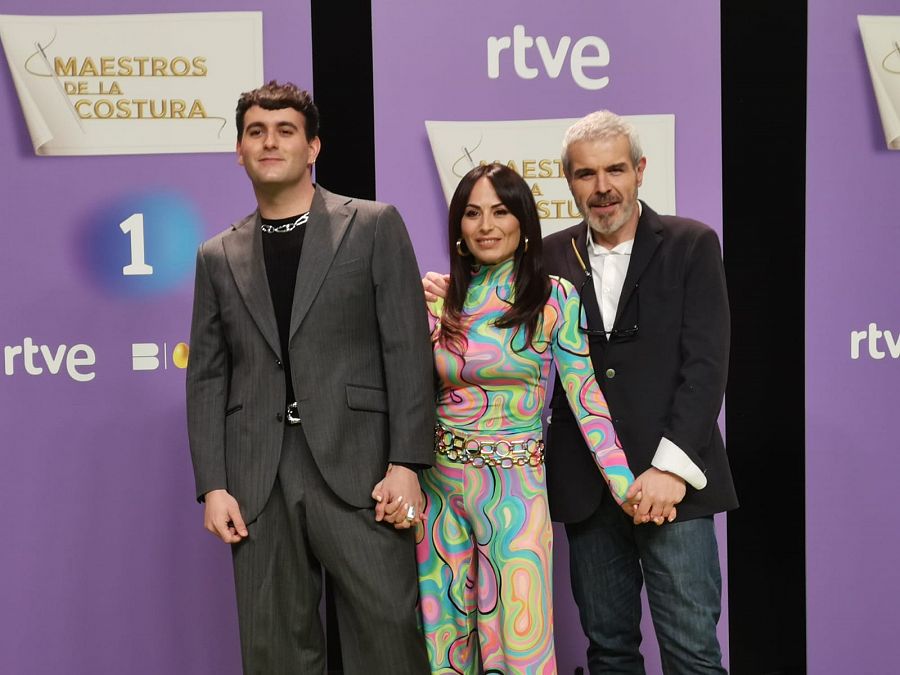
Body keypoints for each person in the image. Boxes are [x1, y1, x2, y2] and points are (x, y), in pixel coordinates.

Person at [424, 111, 737, 674]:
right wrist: (455, 286)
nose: (602, 187)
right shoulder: (545, 258)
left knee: (692, 651)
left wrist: (668, 471)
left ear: (640, 171)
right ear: (568, 182)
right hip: (586, 490)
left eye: (615, 169)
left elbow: (707, 368)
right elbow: (491, 288)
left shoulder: (691, 244)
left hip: (674, 485)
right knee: (609, 651)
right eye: (586, 174)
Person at [185, 81, 433, 675]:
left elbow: (406, 348)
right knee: (274, 651)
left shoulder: (373, 225)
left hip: (362, 470)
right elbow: (207, 377)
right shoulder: (216, 255)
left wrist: (407, 463)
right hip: (257, 478)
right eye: (256, 132)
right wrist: (213, 483)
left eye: (285, 130)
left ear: (313, 146)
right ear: (239, 151)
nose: (270, 142)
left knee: (387, 641)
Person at [408, 162, 636, 674]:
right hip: (438, 492)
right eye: (472, 213)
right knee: (445, 638)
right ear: (458, 229)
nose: (486, 225)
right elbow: (410, 399)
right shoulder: (438, 300)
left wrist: (626, 486)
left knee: (521, 640)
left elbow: (586, 398)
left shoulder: (554, 297)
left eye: (500, 211)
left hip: (516, 491)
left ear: (523, 223)